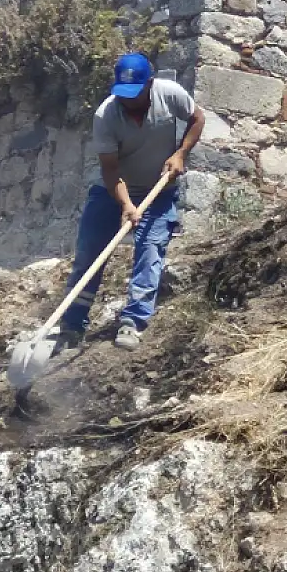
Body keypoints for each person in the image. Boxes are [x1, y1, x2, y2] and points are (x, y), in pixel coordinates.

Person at [57, 52, 206, 350]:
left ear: (149, 83)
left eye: (134, 93)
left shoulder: (169, 94)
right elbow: (110, 170)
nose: (128, 100)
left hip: (158, 192)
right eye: (122, 94)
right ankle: (71, 326)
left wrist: (180, 153)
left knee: (150, 250)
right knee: (89, 254)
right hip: (111, 193)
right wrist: (126, 205)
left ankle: (133, 322)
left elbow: (197, 118)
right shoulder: (106, 115)